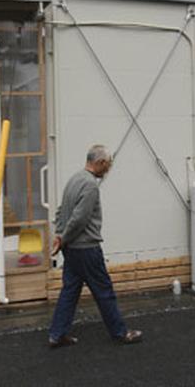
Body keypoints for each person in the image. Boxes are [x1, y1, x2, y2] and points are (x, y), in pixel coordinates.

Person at [48, 144, 142, 348]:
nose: (108, 169)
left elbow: (61, 211)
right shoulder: (90, 185)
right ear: (99, 163)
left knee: (70, 291)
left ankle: (57, 334)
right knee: (104, 291)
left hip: (71, 249)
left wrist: (59, 236)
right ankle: (120, 333)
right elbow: (80, 219)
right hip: (86, 248)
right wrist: (63, 238)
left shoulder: (74, 179)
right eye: (107, 165)